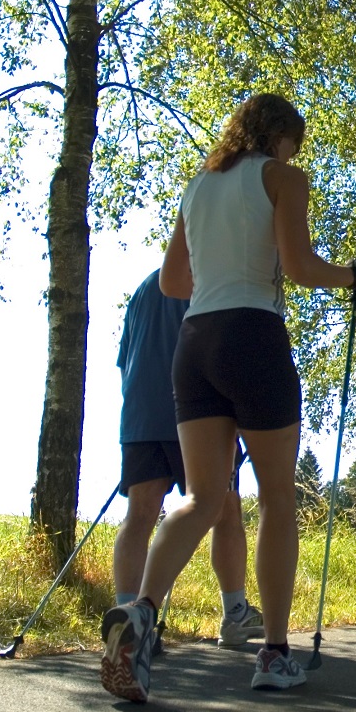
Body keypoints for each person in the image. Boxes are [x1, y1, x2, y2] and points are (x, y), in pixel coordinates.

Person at [101, 93, 356, 703]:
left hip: (194, 342)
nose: (293, 153)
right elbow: (300, 268)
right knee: (277, 498)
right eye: (292, 142)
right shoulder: (284, 178)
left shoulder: (199, 186)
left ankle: (140, 612)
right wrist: (353, 276)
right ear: (280, 136)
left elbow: (174, 281)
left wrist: (220, 277)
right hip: (252, 333)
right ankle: (274, 654)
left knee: (201, 498)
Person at [112, 269, 262, 654]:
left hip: (142, 414)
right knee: (225, 511)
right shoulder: (215, 279)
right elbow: (223, 354)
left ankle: (129, 617)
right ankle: (235, 613)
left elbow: (124, 359)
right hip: (199, 415)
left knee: (139, 514)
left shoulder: (146, 287)